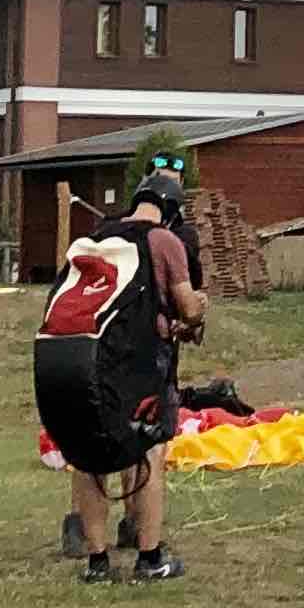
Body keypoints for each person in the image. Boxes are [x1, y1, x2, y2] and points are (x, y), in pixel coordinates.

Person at [71, 163, 207, 584]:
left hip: (85, 360)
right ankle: (149, 557)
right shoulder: (164, 240)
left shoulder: (92, 239)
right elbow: (187, 306)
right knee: (149, 453)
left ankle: (97, 562)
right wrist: (200, 308)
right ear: (170, 210)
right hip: (139, 366)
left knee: (90, 459)